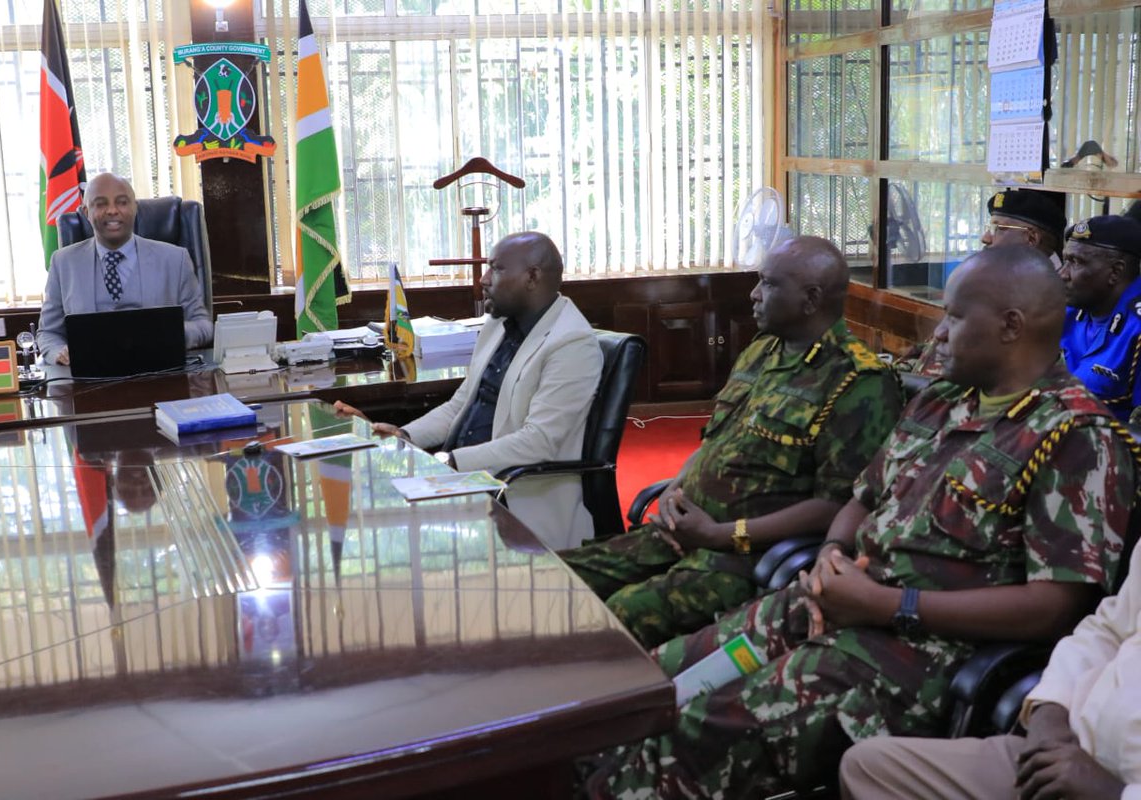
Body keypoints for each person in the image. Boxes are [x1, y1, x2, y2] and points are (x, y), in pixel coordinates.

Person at [582, 245, 1136, 799]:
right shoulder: (942, 402)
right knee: (651, 685)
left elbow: (1054, 607)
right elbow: (861, 498)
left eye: (955, 317)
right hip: (827, 604)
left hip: (915, 656)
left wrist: (892, 605)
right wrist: (832, 553)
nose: (939, 333)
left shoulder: (1076, 438)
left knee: (694, 737)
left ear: (1011, 326)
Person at [561, 236, 903, 649]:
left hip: (740, 559)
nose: (753, 294)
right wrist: (676, 488)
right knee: (558, 577)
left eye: (768, 284)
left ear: (811, 299)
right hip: (679, 533)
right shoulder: (763, 350)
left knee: (617, 616)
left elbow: (835, 505)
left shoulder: (859, 382)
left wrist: (720, 534)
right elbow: (717, 439)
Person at [336, 231, 601, 550]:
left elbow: (539, 442)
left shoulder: (571, 343)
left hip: (513, 496)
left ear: (532, 277)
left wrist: (448, 462)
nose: (483, 279)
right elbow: (460, 405)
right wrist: (405, 435)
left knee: (390, 539)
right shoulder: (497, 324)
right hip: (465, 480)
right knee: (360, 505)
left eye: (496, 269)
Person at [839, 534, 1141, 800]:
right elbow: (1107, 630)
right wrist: (1049, 710)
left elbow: (1051, 607)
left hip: (1110, 785)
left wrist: (1115, 794)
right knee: (868, 768)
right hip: (1065, 756)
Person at [37, 172, 213, 365]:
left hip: (160, 373)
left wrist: (172, 333)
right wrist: (59, 353)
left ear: (134, 207)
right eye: (101, 204)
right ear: (86, 212)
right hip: (89, 377)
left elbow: (204, 325)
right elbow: (48, 333)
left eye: (122, 202)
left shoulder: (175, 259)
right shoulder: (63, 262)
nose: (112, 210)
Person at [905, 188, 1066, 379]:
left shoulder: (1053, 302)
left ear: (1031, 238)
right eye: (989, 227)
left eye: (998, 229)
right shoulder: (998, 283)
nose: (985, 237)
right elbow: (930, 348)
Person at [1058, 213, 1141, 421]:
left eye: (1076, 262)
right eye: (1065, 260)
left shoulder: (1136, 329)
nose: (1063, 274)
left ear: (1115, 272)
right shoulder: (1066, 313)